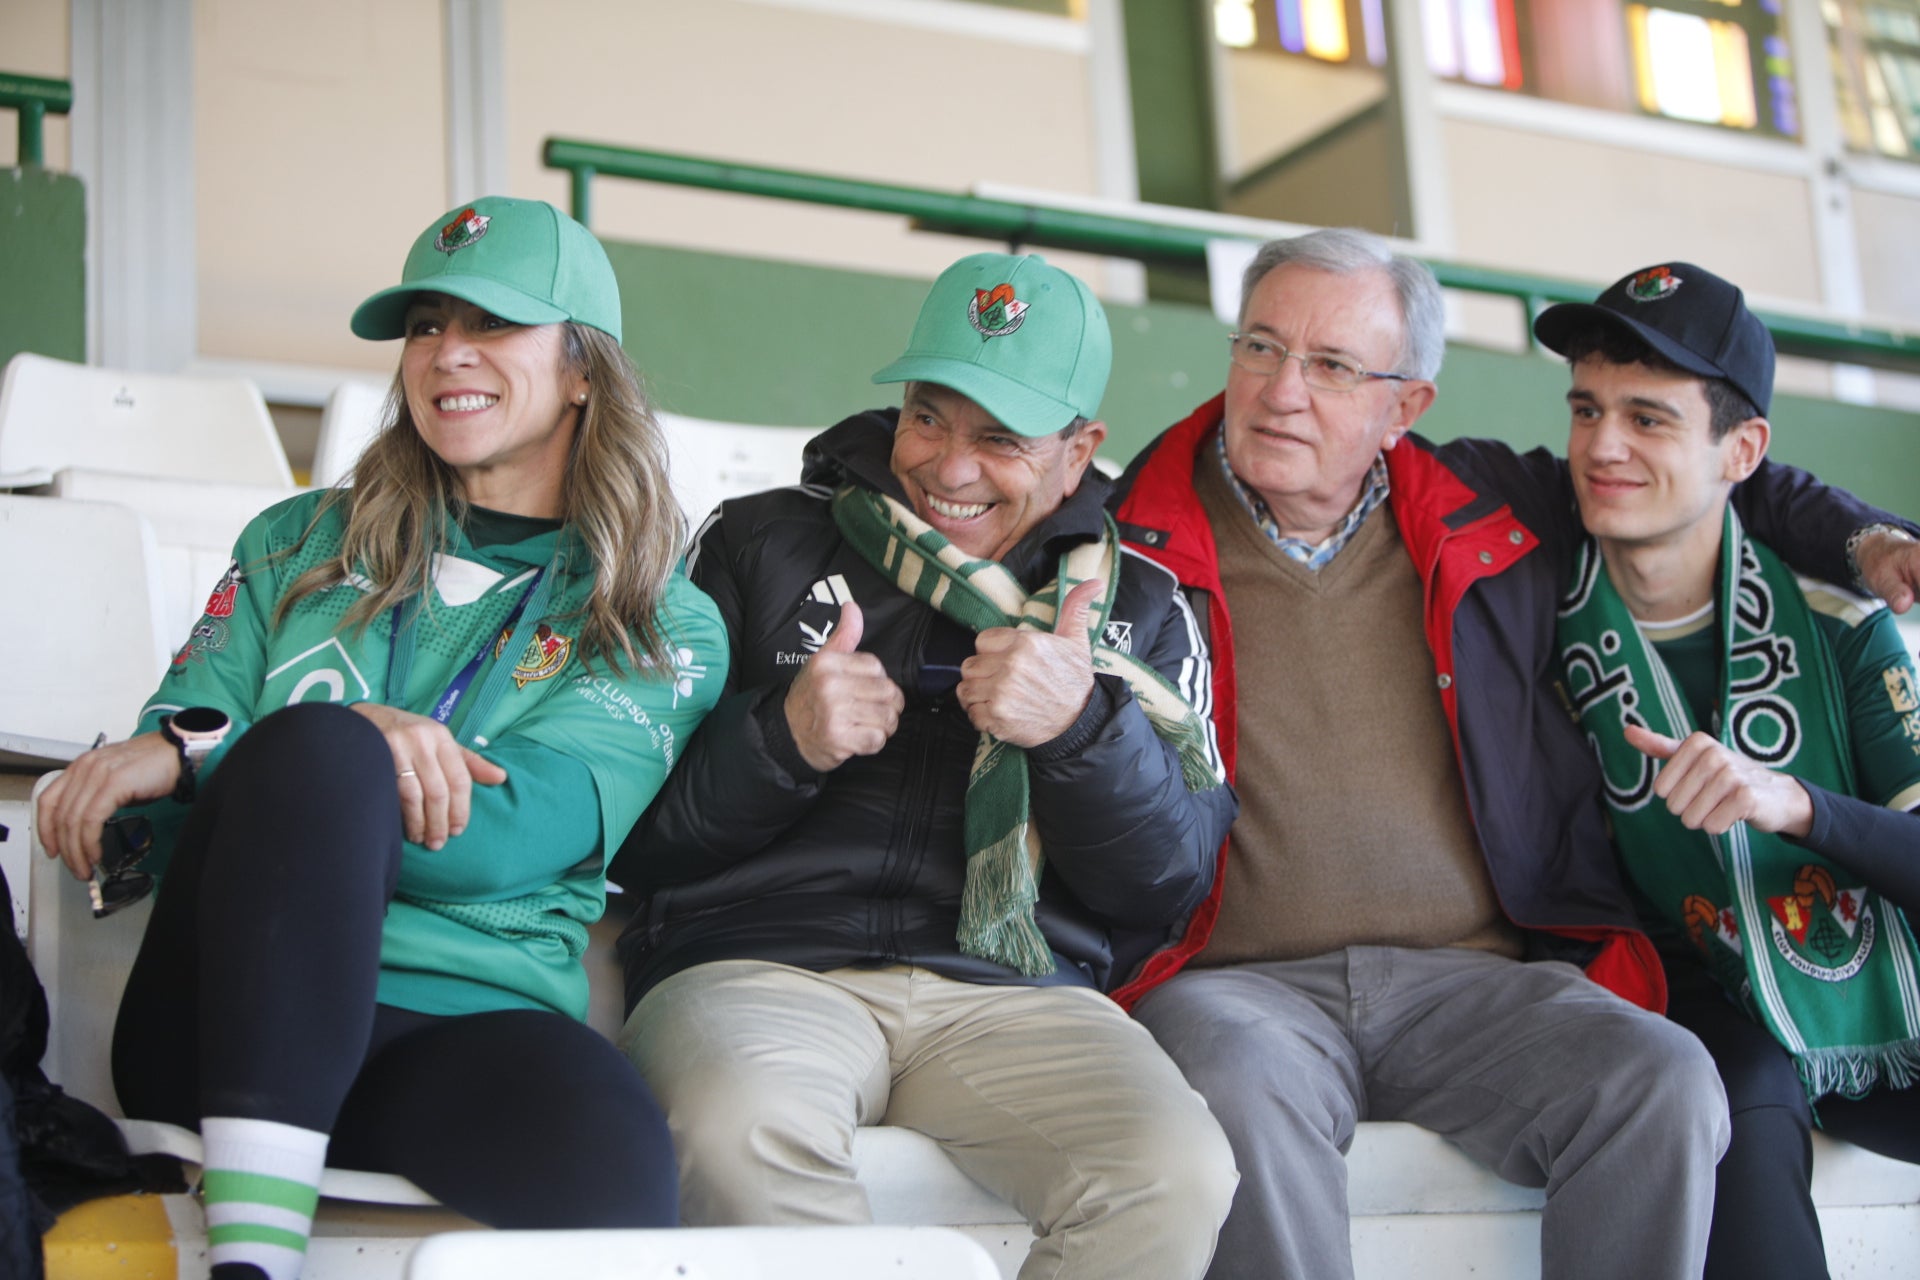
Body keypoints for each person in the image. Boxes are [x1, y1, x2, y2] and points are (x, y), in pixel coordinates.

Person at [1106, 227, 1920, 1280]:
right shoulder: (1127, 534)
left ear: (1407, 406)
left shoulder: (1485, 508)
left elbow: (1701, 470)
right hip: (1237, 982)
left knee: (1665, 1077)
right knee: (1238, 1090)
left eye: (1333, 365)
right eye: (1260, 347)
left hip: (1473, 983)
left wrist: (1870, 541)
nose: (1281, 390)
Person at [34, 196, 728, 1280]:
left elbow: (510, 832)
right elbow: (160, 788)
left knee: (614, 1153)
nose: (448, 354)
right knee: (319, 748)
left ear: (586, 368)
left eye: (492, 325)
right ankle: (250, 1265)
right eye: (424, 325)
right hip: (221, 1015)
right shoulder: (296, 542)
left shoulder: (656, 614)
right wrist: (299, 752)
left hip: (457, 1018)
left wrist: (249, 755)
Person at [610, 252, 1240, 1280]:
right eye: (929, 416)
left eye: (1000, 438)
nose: (949, 468)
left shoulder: (1142, 603)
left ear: (1079, 452)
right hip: (762, 961)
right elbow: (635, 836)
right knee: (739, 1130)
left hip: (1017, 990)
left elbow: (1170, 881)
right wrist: (784, 738)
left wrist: (1078, 728)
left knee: (1174, 1168)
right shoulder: (758, 541)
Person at [1538, 263, 1920, 1280]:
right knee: (1733, 1099)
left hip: (1884, 998)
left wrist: (1796, 804)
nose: (1602, 446)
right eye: (1587, 409)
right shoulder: (1523, 602)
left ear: (1741, 450)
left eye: (1649, 419)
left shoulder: (1843, 621)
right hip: (1664, 986)